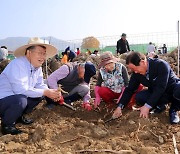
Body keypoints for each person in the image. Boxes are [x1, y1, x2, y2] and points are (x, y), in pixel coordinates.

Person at [0, 37, 61, 135]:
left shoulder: (37, 68)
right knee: (21, 100)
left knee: (39, 94)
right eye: (39, 53)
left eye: (44, 53)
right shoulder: (18, 64)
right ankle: (7, 125)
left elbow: (40, 84)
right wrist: (45, 92)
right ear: (29, 53)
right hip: (4, 100)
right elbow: (20, 90)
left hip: (16, 98)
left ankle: (18, 116)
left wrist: (51, 92)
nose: (43, 57)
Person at [113, 52, 180, 124]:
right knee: (140, 97)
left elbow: (160, 87)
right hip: (158, 94)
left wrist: (147, 106)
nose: (135, 71)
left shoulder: (160, 65)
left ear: (142, 62)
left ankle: (174, 109)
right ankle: (160, 106)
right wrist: (120, 106)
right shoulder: (136, 74)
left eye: (135, 69)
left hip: (171, 89)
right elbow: (129, 89)